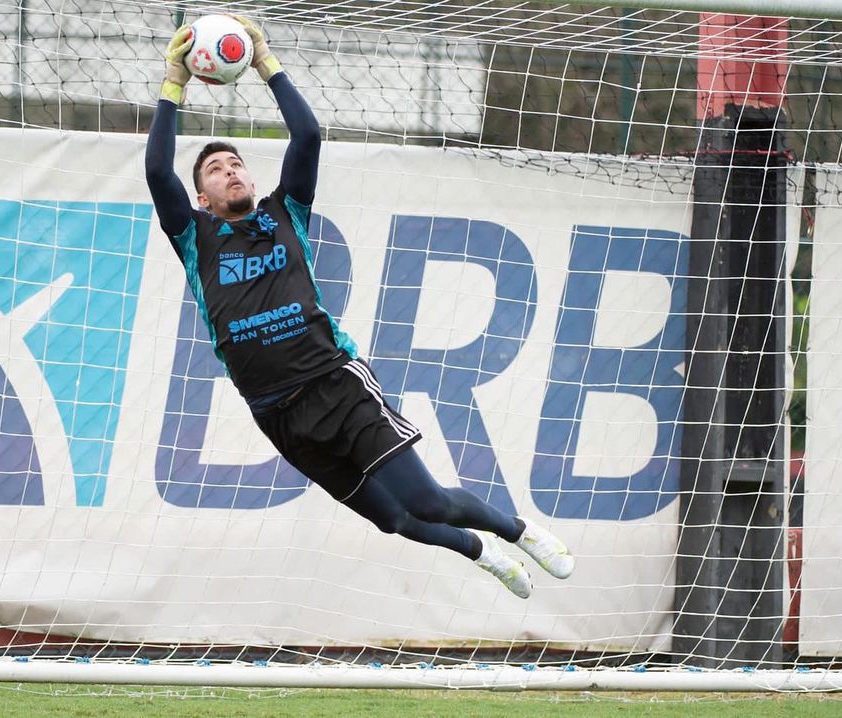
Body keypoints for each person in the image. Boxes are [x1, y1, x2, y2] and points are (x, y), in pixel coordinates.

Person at [144, 16, 574, 599]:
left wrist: (266, 60)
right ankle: (480, 552)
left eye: (236, 162)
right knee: (394, 520)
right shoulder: (195, 238)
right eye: (216, 170)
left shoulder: (284, 213)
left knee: (427, 500)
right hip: (276, 412)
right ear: (203, 197)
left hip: (336, 385)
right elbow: (155, 171)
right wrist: (174, 81)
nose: (231, 171)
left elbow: (308, 136)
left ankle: (519, 533)